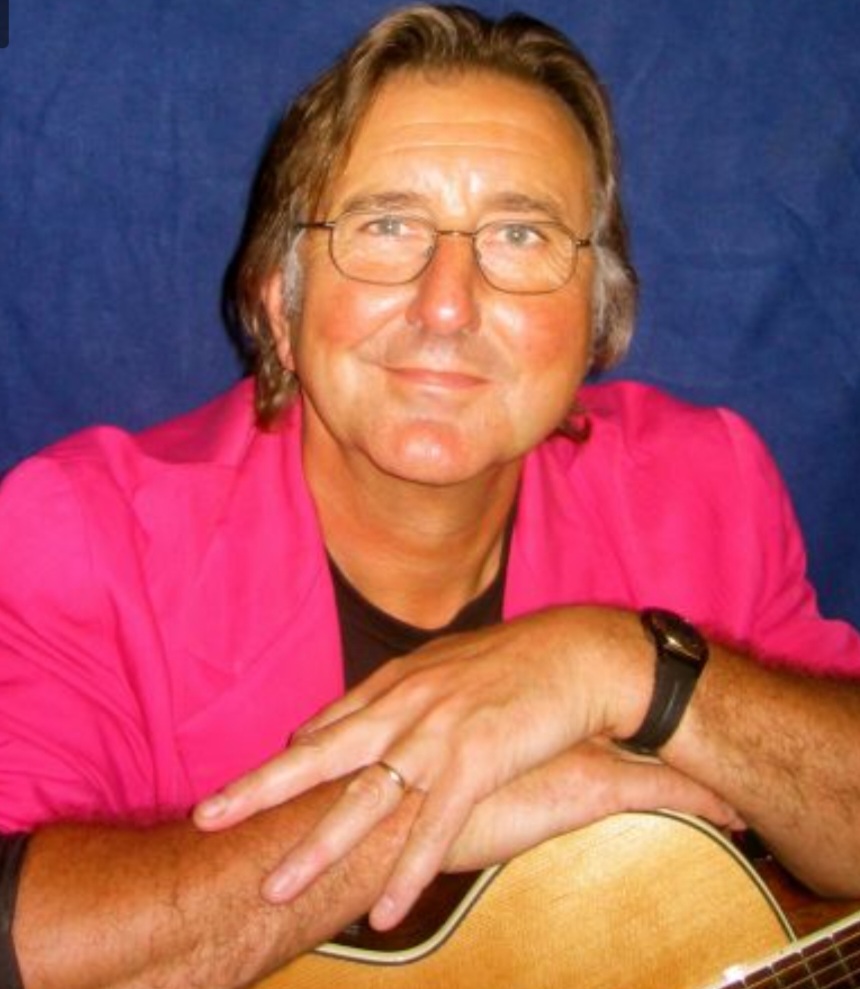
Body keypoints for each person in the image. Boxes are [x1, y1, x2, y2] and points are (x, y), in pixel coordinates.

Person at [2, 4, 859, 988]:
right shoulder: (86, 535)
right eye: (385, 226)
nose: (447, 303)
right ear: (279, 305)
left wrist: (620, 664)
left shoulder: (702, 489)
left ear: (596, 319)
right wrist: (419, 806)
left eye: (519, 234)